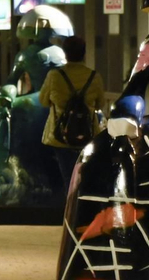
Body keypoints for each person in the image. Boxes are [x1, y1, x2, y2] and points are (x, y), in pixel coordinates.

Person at [38, 35, 106, 190]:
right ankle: (83, 207)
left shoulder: (54, 76)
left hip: (60, 135)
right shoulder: (94, 77)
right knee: (86, 175)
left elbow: (43, 101)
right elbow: (100, 104)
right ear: (84, 54)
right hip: (87, 134)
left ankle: (69, 209)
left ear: (65, 53)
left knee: (67, 177)